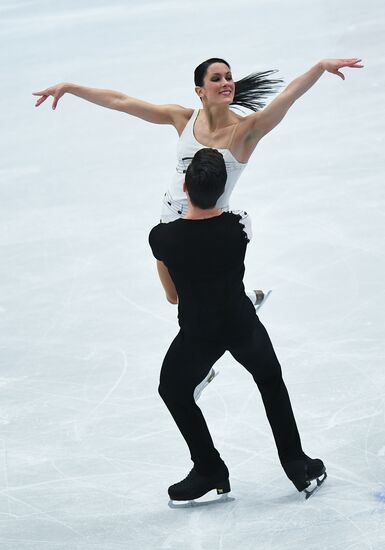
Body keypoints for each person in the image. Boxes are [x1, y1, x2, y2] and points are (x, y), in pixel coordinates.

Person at [33, 57, 363, 398]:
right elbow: (123, 102)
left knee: (199, 302)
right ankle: (238, 309)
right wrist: (71, 88)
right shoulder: (182, 118)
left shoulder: (246, 130)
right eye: (217, 78)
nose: (226, 83)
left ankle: (215, 348)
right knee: (174, 297)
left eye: (229, 77)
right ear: (200, 91)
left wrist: (320, 67)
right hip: (168, 225)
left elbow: (288, 96)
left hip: (206, 229)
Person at [149, 148, 326, 504]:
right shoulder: (238, 224)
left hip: (198, 333)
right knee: (270, 382)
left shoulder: (161, 238)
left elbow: (172, 297)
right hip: (241, 324)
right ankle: (296, 463)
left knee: (173, 389)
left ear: (184, 187)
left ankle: (209, 468)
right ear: (223, 186)